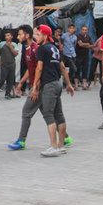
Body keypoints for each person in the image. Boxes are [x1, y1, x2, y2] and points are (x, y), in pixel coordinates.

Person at [8, 25, 74, 151]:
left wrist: (35, 88)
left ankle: (23, 141)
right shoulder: (45, 48)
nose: (18, 37)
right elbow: (32, 69)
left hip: (42, 85)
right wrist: (22, 82)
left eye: (20, 34)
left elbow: (39, 69)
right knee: (53, 114)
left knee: (28, 112)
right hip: (50, 84)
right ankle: (64, 139)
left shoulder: (38, 49)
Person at [31, 25, 75, 157]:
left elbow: (39, 68)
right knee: (59, 114)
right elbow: (62, 67)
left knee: (49, 115)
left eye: (38, 34)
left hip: (49, 84)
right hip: (57, 83)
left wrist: (34, 87)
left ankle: (53, 146)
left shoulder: (42, 49)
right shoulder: (54, 48)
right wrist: (68, 83)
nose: (35, 37)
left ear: (45, 36)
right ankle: (61, 145)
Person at [0, 32, 20, 100]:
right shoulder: (2, 44)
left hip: (12, 64)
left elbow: (16, 54)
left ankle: (7, 94)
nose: (6, 37)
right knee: (2, 79)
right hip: (4, 64)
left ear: (11, 36)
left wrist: (11, 47)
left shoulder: (14, 44)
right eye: (5, 36)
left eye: (8, 35)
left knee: (10, 80)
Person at [61, 24, 79, 89]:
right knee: (63, 68)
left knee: (73, 69)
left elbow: (74, 45)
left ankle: (68, 82)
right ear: (68, 29)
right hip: (65, 54)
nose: (71, 30)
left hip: (72, 54)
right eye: (70, 28)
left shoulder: (75, 37)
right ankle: (66, 82)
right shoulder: (64, 35)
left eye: (73, 28)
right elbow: (61, 42)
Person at [76, 25, 93, 90]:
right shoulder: (78, 36)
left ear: (87, 31)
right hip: (78, 55)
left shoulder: (88, 37)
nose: (84, 31)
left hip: (86, 56)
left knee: (85, 70)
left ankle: (84, 85)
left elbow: (91, 46)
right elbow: (80, 44)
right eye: (83, 30)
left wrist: (85, 44)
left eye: (85, 30)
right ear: (81, 30)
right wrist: (87, 44)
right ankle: (76, 85)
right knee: (77, 69)